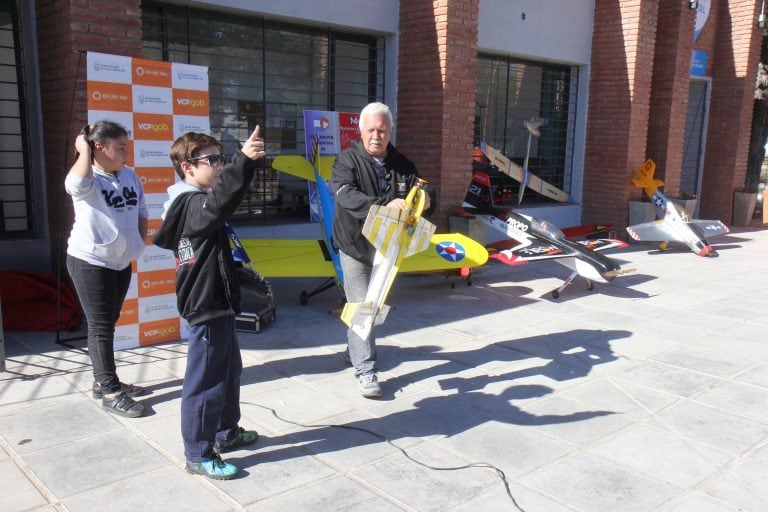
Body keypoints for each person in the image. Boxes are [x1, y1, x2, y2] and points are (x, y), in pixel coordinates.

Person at [153, 127, 266, 480]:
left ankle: (226, 432)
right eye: (213, 159)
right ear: (188, 166)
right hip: (205, 303)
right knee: (205, 382)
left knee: (229, 371)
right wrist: (243, 161)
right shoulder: (188, 203)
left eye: (222, 158)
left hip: (219, 299)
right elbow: (219, 205)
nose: (219, 166)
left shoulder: (197, 201)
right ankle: (199, 453)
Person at [329, 102, 433, 398]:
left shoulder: (402, 163)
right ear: (361, 130)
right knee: (363, 304)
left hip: (388, 249)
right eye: (371, 130)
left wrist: (426, 199)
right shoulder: (346, 160)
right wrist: (384, 205)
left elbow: (421, 189)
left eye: (382, 130)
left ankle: (355, 348)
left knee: (372, 309)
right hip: (354, 245)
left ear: (390, 131)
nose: (376, 135)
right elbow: (345, 194)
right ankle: (365, 369)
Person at [65, 120, 148, 418]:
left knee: (109, 323)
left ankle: (103, 381)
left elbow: (140, 209)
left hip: (120, 261)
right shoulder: (87, 177)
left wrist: (138, 243)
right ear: (99, 147)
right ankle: (111, 392)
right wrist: (82, 149)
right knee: (100, 326)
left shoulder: (128, 175)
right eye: (120, 147)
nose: (126, 152)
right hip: (90, 261)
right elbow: (74, 185)